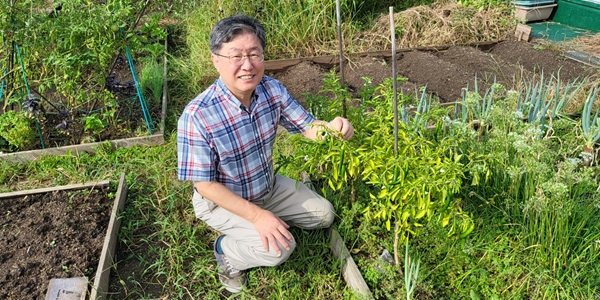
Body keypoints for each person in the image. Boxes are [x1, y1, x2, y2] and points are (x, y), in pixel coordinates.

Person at [177, 14, 354, 293]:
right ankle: (226, 250)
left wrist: (332, 128)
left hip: (266, 187)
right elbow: (205, 185)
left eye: (254, 54)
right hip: (222, 201)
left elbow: (306, 126)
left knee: (324, 216)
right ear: (216, 60)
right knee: (280, 250)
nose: (247, 66)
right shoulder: (198, 115)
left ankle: (267, 217)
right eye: (236, 56)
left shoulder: (271, 90)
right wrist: (258, 217)